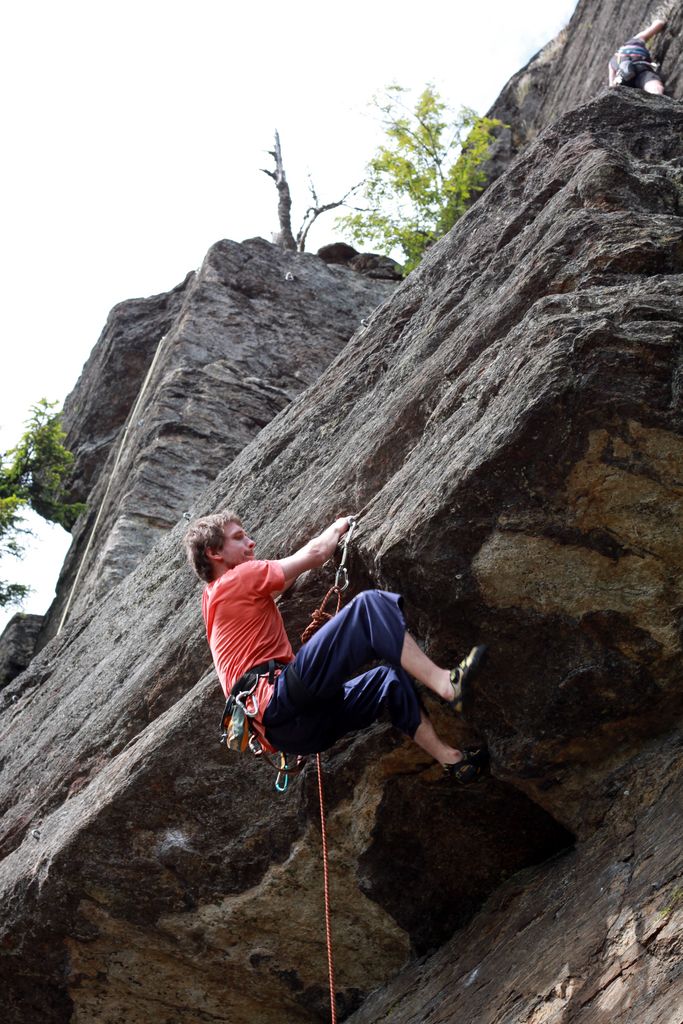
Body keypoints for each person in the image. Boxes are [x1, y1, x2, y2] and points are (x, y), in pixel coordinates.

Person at [184, 510, 489, 783]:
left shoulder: (213, 599)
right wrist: (341, 525)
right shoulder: (238, 579)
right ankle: (447, 685)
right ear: (214, 552)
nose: (251, 542)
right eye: (239, 538)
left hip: (294, 735)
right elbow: (316, 553)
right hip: (279, 699)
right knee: (369, 607)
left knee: (388, 679)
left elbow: (283, 581)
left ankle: (453, 761)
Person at [608, 18, 667, 94]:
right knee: (655, 88)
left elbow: (611, 85)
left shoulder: (612, 61)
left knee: (654, 88)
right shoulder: (635, 41)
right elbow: (658, 24)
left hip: (625, 81)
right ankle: (658, 97)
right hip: (641, 70)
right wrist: (660, 21)